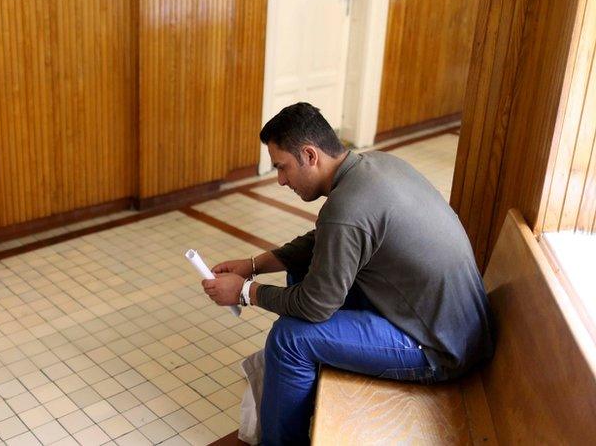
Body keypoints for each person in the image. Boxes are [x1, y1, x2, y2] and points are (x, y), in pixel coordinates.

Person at [202, 102, 493, 445]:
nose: (281, 181)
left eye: (283, 168)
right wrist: (255, 264)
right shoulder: (375, 165)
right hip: (454, 324)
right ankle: (302, 403)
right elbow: (328, 238)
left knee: (289, 339)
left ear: (310, 155)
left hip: (438, 348)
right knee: (302, 276)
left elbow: (316, 306)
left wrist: (245, 292)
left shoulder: (347, 206)